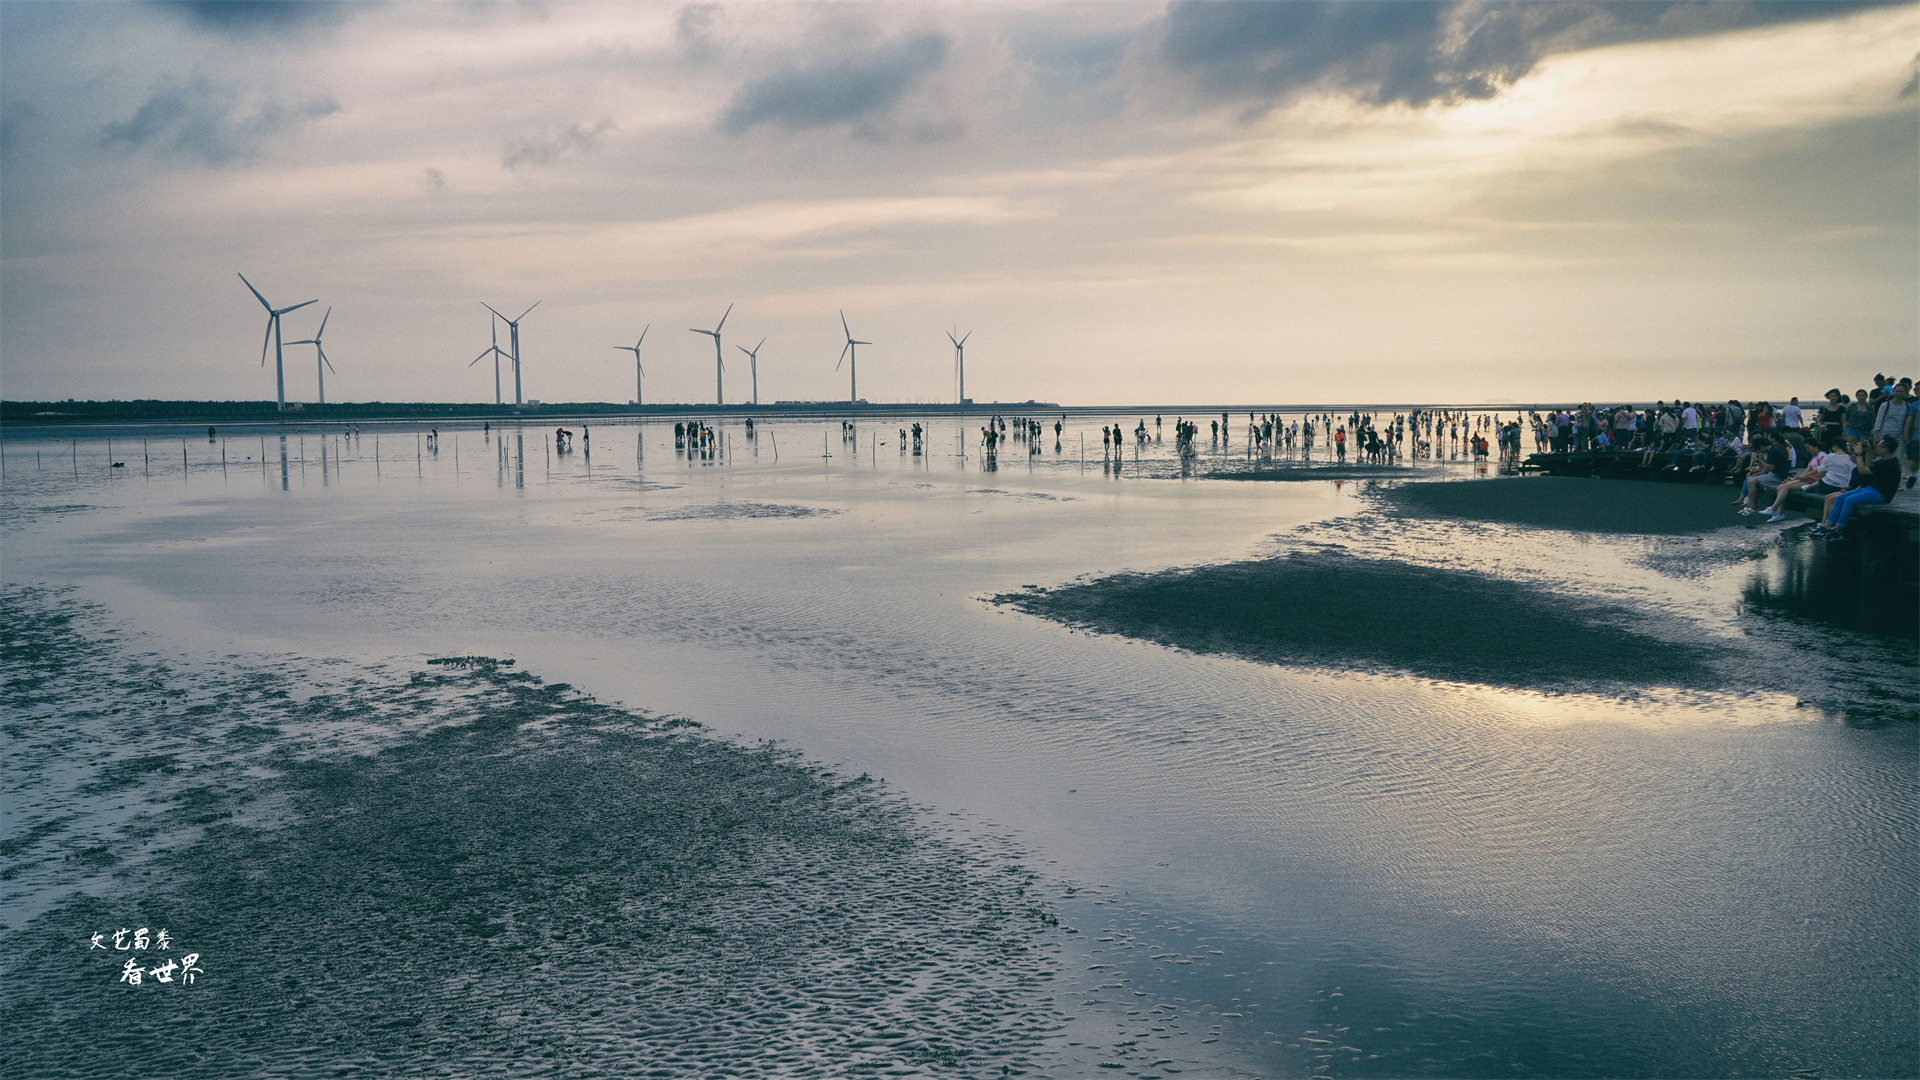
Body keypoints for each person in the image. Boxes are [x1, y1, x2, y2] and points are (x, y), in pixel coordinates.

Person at [1813, 437, 1901, 540]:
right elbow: (1869, 466)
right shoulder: (1885, 460)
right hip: (1871, 488)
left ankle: (1838, 529)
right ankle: (1828, 525)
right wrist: (1868, 451)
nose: (1876, 447)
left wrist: (1859, 454)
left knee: (1849, 500)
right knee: (1840, 498)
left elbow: (1863, 470)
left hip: (1882, 494)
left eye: (1878, 446)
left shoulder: (1890, 464)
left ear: (1885, 449)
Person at [1762, 438, 1851, 522]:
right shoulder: (1813, 458)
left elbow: (1821, 469)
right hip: (1810, 478)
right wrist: (1798, 477)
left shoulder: (1822, 455)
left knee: (1785, 487)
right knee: (1781, 486)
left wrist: (1806, 475)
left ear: (1815, 446)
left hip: (1815, 479)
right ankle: (1778, 513)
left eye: (1809, 447)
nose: (1808, 450)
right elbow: (1807, 471)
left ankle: (1773, 508)